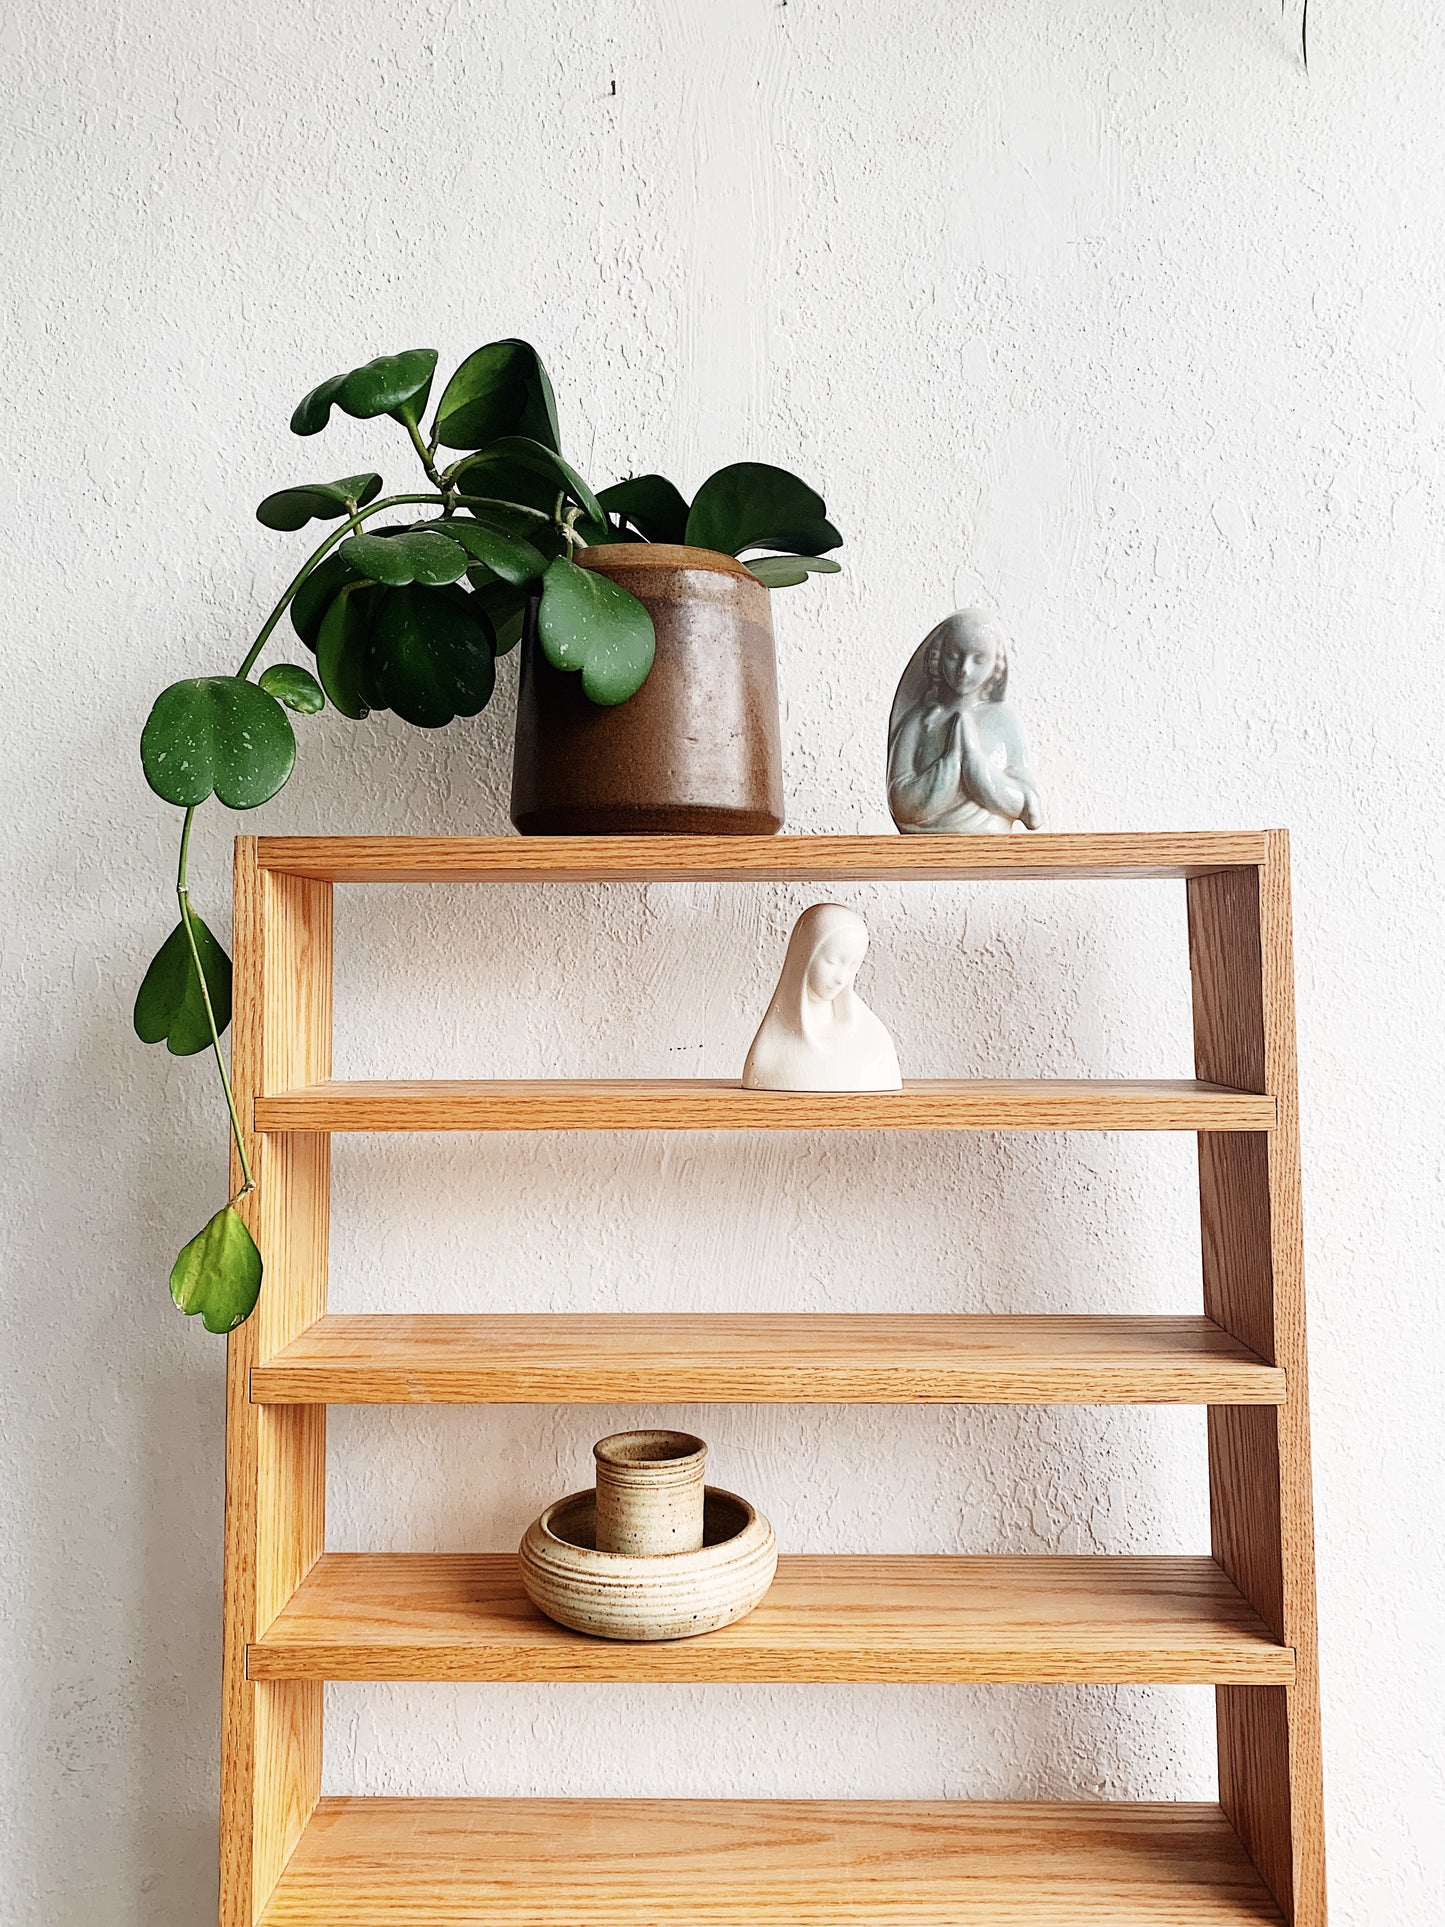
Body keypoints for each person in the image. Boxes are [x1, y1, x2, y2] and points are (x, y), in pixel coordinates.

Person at [887, 609, 1043, 834]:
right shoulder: (917, 723)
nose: (964, 669)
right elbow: (900, 804)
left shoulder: (1005, 722)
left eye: (979, 659)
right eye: (954, 656)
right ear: (938, 656)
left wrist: (975, 764)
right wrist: (951, 762)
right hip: (926, 854)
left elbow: (1031, 808)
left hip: (991, 854)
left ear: (995, 663)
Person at [742, 903, 901, 1092]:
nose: (841, 978)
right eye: (832, 962)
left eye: (852, 966)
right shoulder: (769, 1048)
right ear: (803, 955)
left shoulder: (874, 1040)